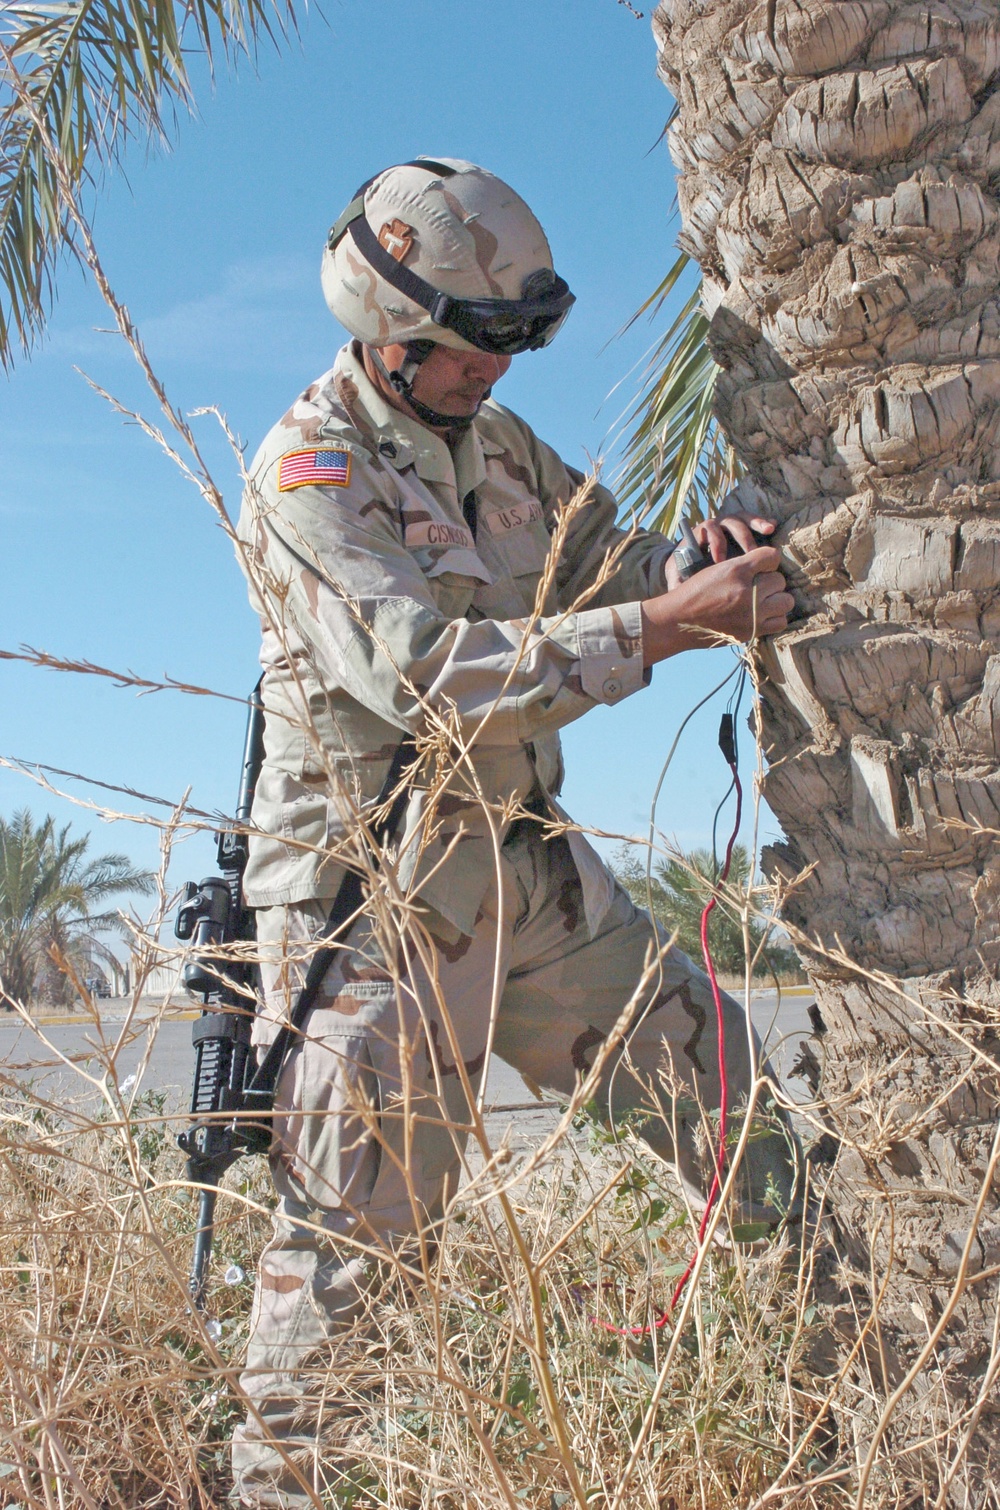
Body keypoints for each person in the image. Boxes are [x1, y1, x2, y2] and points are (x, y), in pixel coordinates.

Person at [230, 157, 797, 1507]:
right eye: (476, 342)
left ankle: (833, 1381)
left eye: (517, 341)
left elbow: (610, 547)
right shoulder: (309, 470)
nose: (499, 369)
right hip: (379, 914)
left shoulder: (501, 448)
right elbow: (422, 675)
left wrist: (681, 560)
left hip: (529, 881)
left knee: (742, 1112)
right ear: (389, 324)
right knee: (336, 1314)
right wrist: (669, 627)